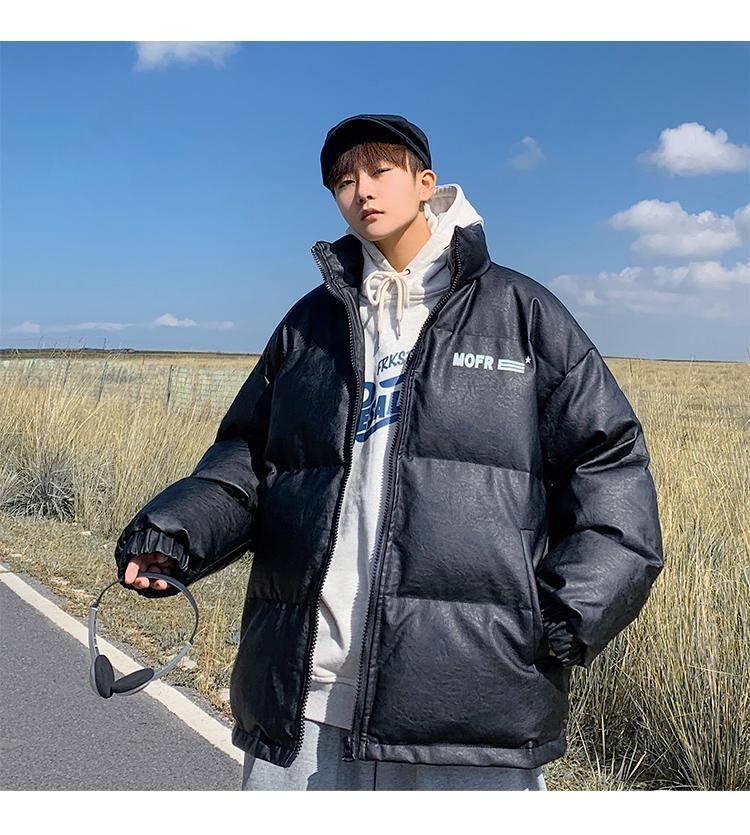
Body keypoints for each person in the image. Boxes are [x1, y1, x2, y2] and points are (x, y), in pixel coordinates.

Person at [116, 114, 664, 791]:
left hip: (469, 709)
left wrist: (564, 614)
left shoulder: (522, 314)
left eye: (380, 171)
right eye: (344, 181)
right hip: (308, 697)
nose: (362, 191)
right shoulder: (311, 323)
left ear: (426, 183)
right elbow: (252, 458)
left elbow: (609, 462)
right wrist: (177, 532)